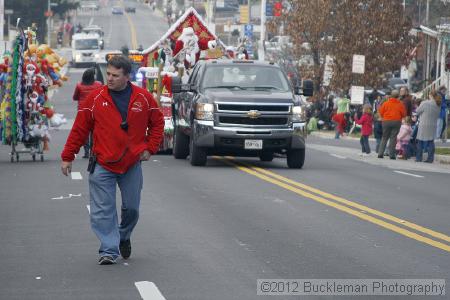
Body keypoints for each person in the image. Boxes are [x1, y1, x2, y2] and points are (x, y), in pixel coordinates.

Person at [61, 56, 164, 265]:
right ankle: (108, 249)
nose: (110, 78)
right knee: (102, 211)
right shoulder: (95, 98)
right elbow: (80, 129)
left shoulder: (143, 98)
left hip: (131, 163)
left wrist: (150, 148)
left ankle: (123, 236)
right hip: (103, 164)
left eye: (115, 75)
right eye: (108, 74)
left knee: (132, 209)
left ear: (127, 77)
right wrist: (67, 156)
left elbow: (158, 122)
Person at [72, 68, 103, 158]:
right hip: (96, 110)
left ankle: (86, 151)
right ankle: (93, 151)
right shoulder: (98, 84)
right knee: (94, 131)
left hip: (83, 111)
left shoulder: (79, 86)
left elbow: (75, 97)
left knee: (84, 132)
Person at [377, 89, 406, 159]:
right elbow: (404, 114)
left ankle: (380, 153)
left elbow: (380, 112)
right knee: (393, 138)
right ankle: (392, 155)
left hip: (386, 121)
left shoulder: (386, 103)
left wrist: (382, 117)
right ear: (398, 96)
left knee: (384, 137)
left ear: (391, 96)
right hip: (396, 121)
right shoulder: (400, 104)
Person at [416, 92, 441, 163]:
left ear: (430, 95)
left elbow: (417, 111)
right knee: (430, 141)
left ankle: (418, 158)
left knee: (420, 141)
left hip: (424, 124)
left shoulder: (425, 103)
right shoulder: (438, 104)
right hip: (433, 125)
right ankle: (430, 158)